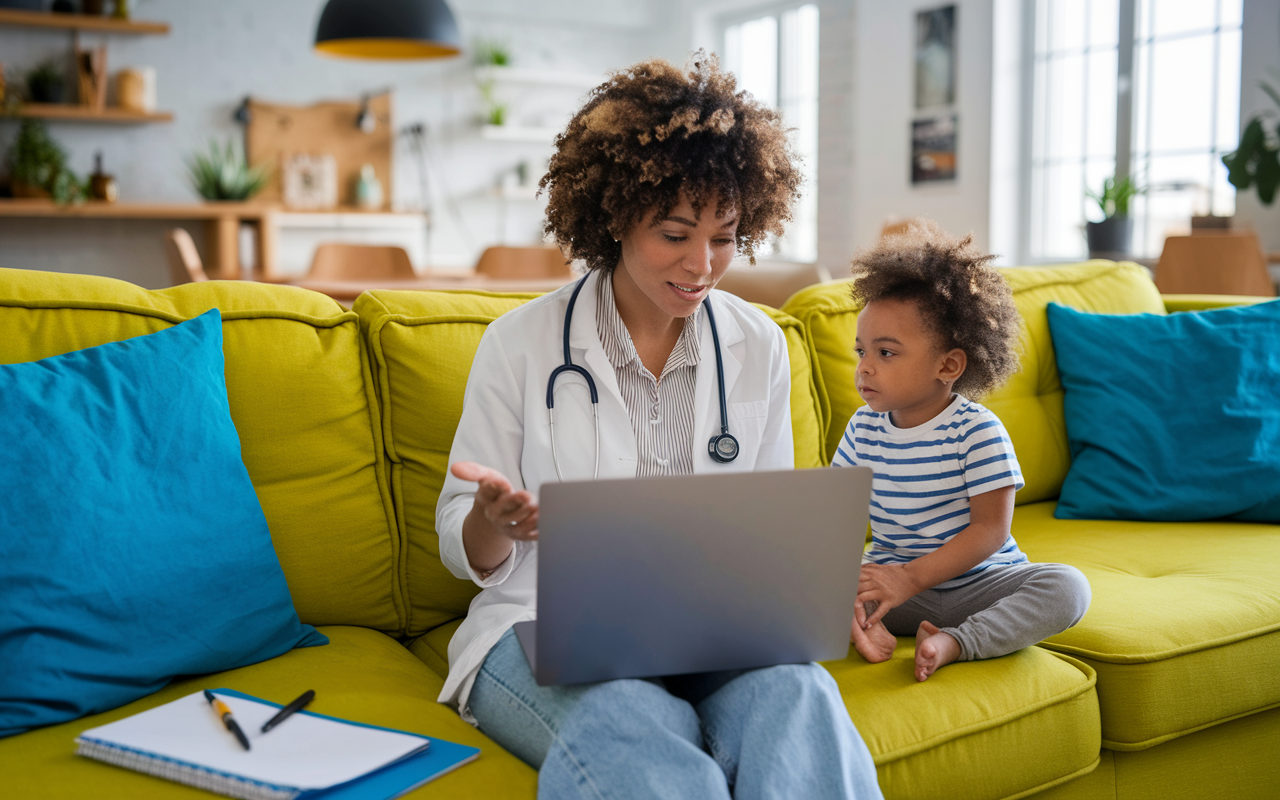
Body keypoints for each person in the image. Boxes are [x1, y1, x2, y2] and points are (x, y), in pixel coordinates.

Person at [435, 55, 883, 799]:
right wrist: (494, 523)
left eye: (725, 236)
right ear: (616, 216)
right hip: (538, 627)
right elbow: (459, 539)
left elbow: (767, 536)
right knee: (626, 718)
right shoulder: (518, 345)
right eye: (675, 234)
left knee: (797, 695)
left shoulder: (760, 347)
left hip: (709, 632)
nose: (702, 265)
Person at [834, 223, 1091, 682]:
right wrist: (851, 602)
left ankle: (958, 641)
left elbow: (991, 532)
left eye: (886, 353)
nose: (865, 367)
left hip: (981, 585)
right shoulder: (862, 429)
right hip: (899, 594)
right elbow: (836, 523)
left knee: (1068, 587)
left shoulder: (976, 431)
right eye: (861, 351)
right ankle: (868, 632)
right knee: (815, 589)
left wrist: (909, 577)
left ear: (948, 365)